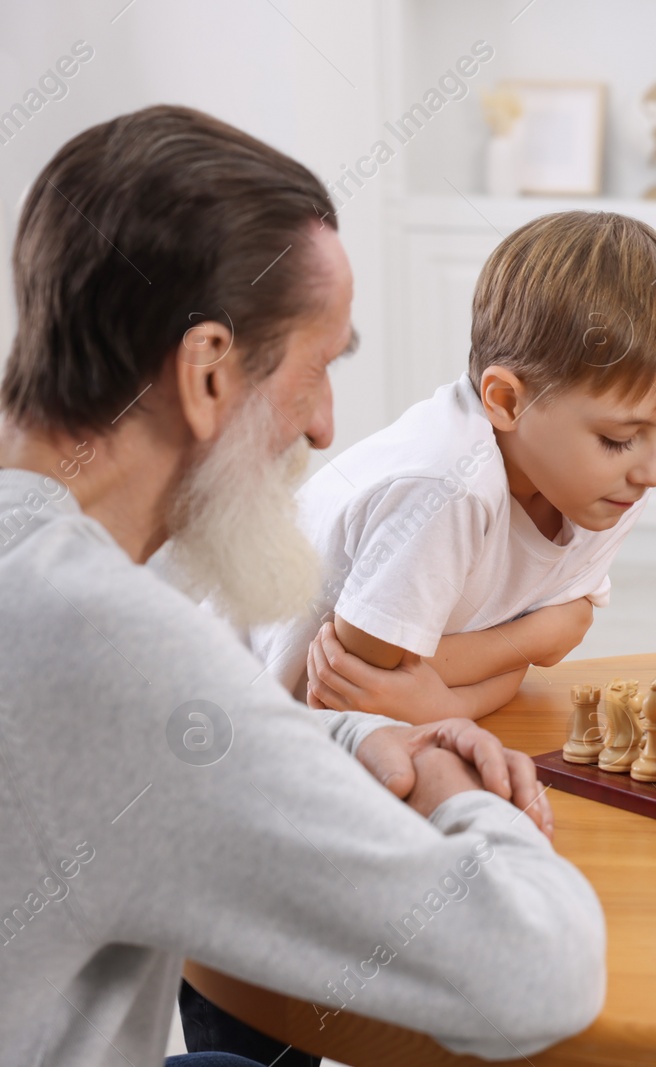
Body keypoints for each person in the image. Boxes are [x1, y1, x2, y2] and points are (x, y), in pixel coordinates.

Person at [0, 105, 604, 1067]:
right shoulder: (100, 640)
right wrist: (458, 788)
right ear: (207, 373)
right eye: (316, 369)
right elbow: (540, 971)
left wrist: (364, 733)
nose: (324, 427)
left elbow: (161, 739)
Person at [249, 212, 656, 723]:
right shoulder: (447, 487)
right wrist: (535, 635)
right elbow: (355, 683)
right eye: (618, 439)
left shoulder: (609, 487)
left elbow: (536, 650)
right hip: (250, 718)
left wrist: (448, 702)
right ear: (507, 402)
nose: (653, 473)